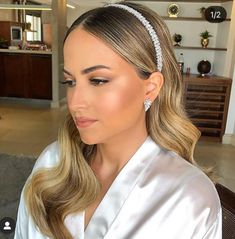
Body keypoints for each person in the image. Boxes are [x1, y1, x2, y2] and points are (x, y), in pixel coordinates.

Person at [14, 2, 221, 239]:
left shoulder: (188, 198)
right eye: (70, 82)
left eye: (98, 80)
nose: (75, 102)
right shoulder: (52, 164)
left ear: (150, 88)